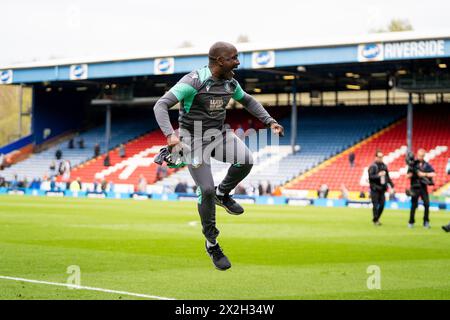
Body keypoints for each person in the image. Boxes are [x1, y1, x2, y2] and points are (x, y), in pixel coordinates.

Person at [153, 41, 284, 270]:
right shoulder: (193, 81)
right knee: (205, 190)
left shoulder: (231, 83)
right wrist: (170, 136)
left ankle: (222, 194)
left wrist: (270, 121)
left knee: (246, 159)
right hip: (192, 140)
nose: (238, 61)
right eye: (234, 58)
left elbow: (249, 101)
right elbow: (161, 105)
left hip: (219, 134)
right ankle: (212, 243)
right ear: (220, 61)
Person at [407, 148, 436, 229]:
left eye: (422, 156)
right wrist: (413, 174)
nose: (421, 157)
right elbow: (407, 175)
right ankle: (411, 221)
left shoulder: (426, 165)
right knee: (414, 205)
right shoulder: (413, 164)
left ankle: (426, 222)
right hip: (414, 187)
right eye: (419, 155)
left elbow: (433, 174)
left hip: (423, 187)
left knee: (427, 204)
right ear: (417, 155)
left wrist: (424, 174)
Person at [368, 150, 394, 226]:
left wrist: (392, 185)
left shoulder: (384, 166)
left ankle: (376, 218)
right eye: (379, 157)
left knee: (382, 205)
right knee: (375, 205)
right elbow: (370, 177)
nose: (381, 158)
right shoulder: (373, 166)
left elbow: (387, 177)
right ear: (375, 157)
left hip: (382, 189)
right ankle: (375, 220)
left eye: (382, 157)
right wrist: (378, 175)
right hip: (374, 189)